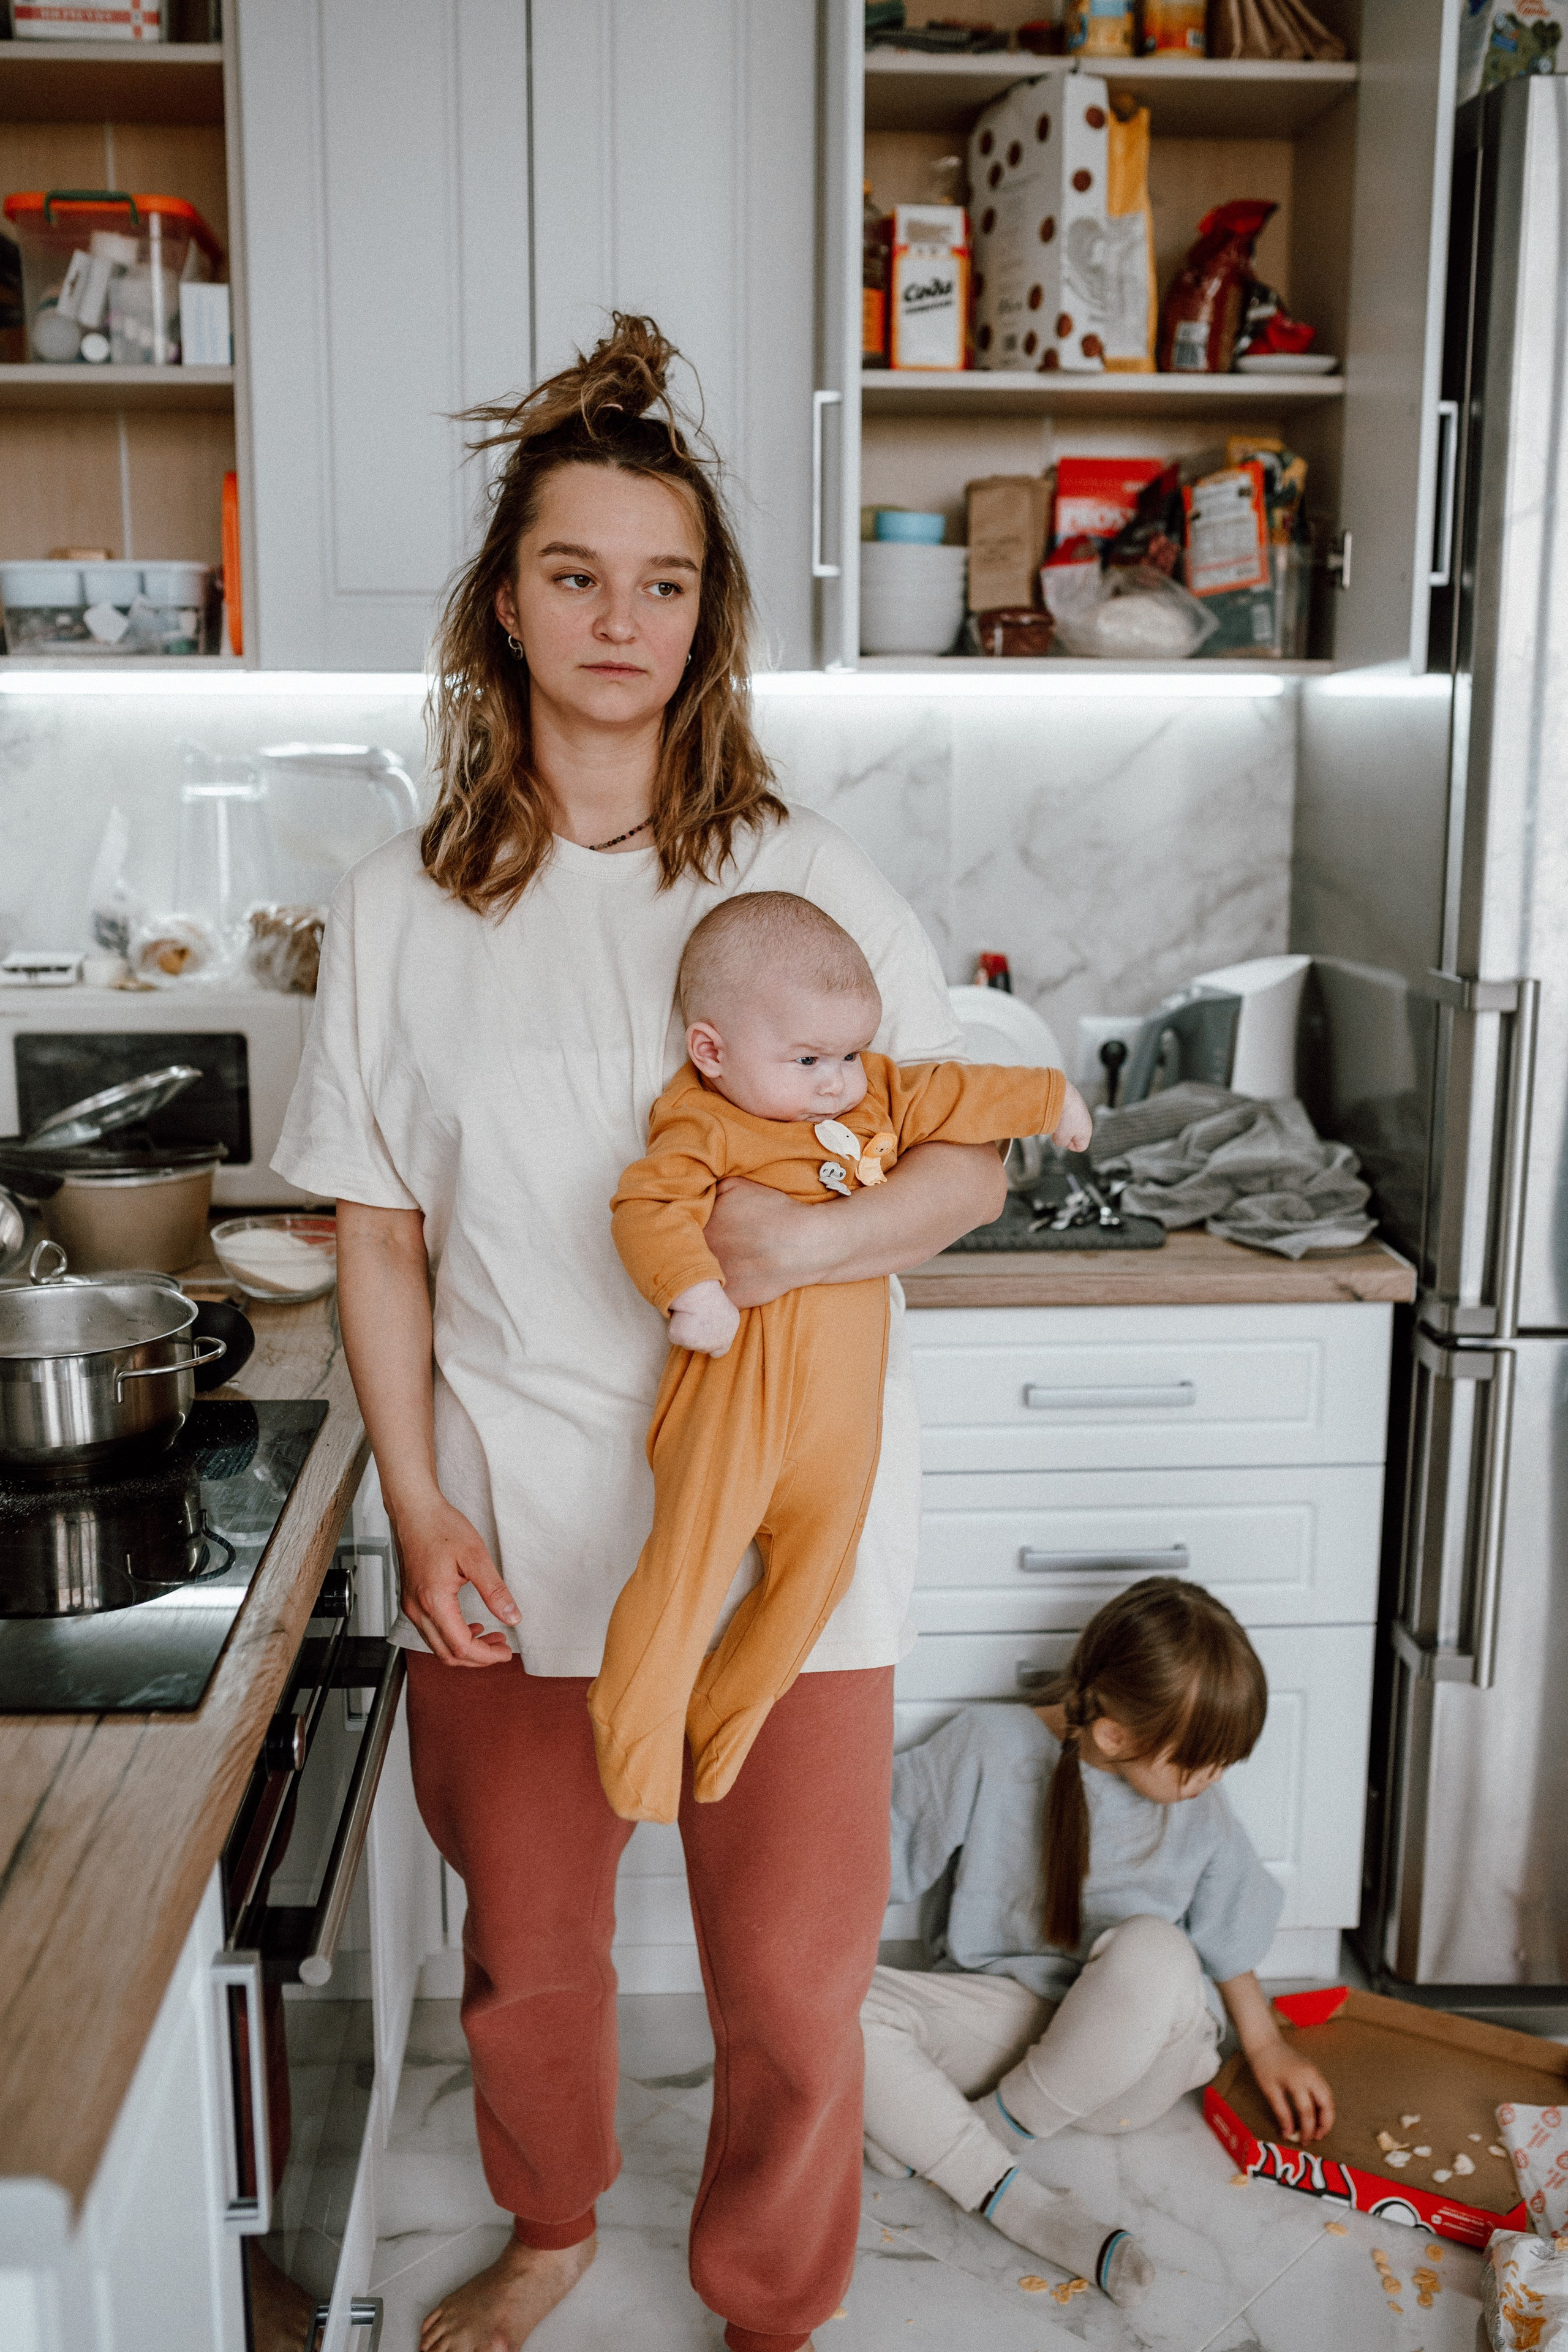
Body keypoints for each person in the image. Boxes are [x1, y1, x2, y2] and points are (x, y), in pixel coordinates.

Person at [272, 312, 1011, 2352]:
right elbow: (380, 1234)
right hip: (525, 1526)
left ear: (710, 615)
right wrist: (421, 1511)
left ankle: (771, 2302)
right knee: (533, 1956)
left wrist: (803, 1244)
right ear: (505, 603)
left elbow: (967, 1169)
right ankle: (549, 2225)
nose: (624, 619)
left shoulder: (809, 880)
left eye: (666, 582)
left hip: (793, 1553)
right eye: (578, 574)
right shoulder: (401, 908)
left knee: (788, 1981)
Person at [593, 890, 1090, 1822]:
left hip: (841, 1421)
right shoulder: (704, 1120)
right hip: (739, 1404)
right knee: (687, 1570)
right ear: (714, 1052)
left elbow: (960, 1094)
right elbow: (646, 1206)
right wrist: (689, 1288)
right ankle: (635, 1720)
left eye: (850, 1054)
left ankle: (727, 1710)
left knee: (817, 1576)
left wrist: (1049, 1098)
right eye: (809, 1060)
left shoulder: (879, 1094)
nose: (837, 1082)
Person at [860, 1577, 1336, 2305]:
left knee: (1154, 1949)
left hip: (1134, 2067)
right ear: (1115, 1734)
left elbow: (1223, 1934)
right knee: (827, 2007)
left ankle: (969, 2142)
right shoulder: (988, 1745)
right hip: (1010, 2034)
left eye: (1221, 1766)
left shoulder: (1199, 1801)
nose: (1210, 1781)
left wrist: (1266, 2043)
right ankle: (1016, 2200)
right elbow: (872, 1860)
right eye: (1197, 1764)